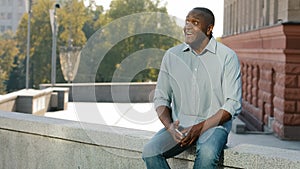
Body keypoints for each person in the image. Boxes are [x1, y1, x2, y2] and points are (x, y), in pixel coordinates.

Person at [142, 7, 242, 169]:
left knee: (208, 153)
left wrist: (198, 128)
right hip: (180, 127)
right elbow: (161, 98)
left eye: (195, 22)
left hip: (214, 126)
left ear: (209, 29)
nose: (188, 26)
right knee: (150, 151)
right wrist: (170, 126)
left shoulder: (227, 57)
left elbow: (233, 104)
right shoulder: (172, 56)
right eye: (187, 21)